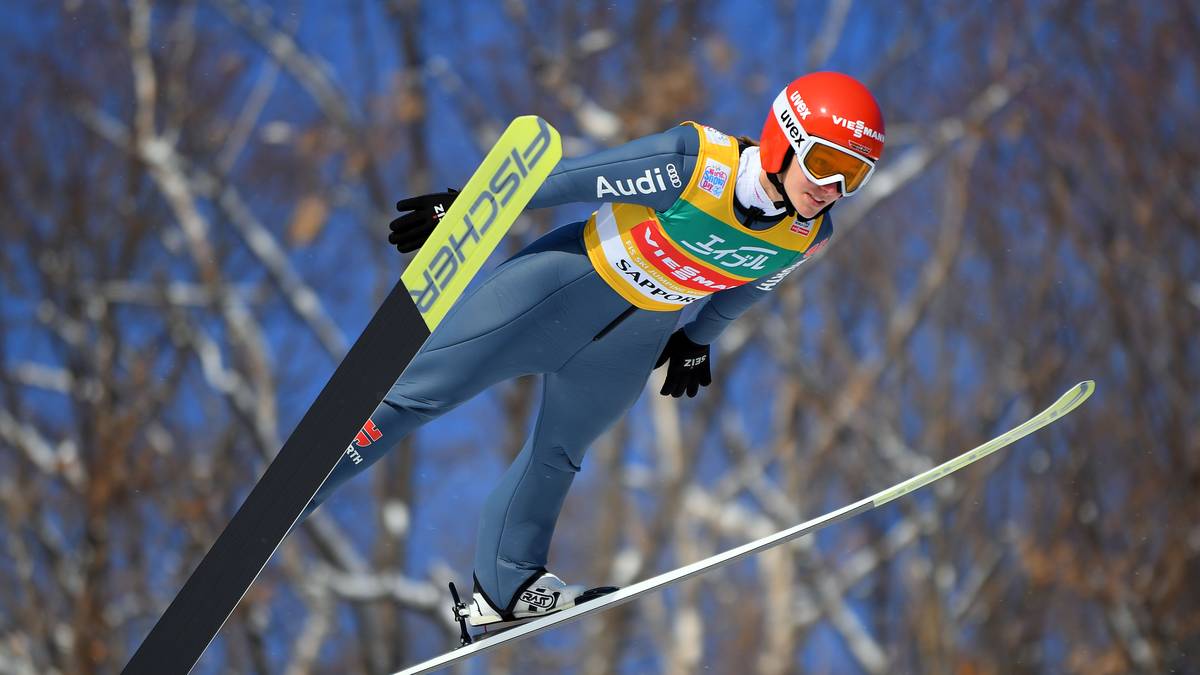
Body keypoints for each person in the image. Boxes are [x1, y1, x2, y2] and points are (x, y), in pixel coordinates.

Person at [301, 71, 885, 628]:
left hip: (631, 345)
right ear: (785, 139)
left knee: (559, 454)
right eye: (825, 164)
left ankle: (508, 587)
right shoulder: (698, 164)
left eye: (851, 178)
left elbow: (751, 286)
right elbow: (572, 179)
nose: (831, 188)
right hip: (559, 290)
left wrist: (696, 341)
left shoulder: (808, 235)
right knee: (425, 393)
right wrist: (466, 205)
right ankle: (303, 485)